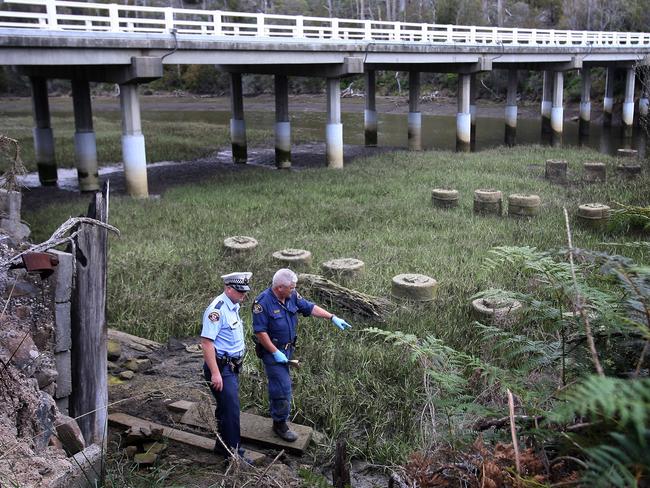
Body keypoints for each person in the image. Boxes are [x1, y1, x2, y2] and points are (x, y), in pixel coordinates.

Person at [252, 268, 351, 442]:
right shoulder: (262, 303)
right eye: (291, 287)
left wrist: (332, 317)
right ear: (280, 287)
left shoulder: (291, 296)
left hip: (288, 350)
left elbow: (309, 307)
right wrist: (275, 352)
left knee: (282, 385)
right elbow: (260, 332)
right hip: (272, 352)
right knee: (282, 387)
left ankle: (278, 416)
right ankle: (279, 424)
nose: (294, 290)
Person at [200, 271, 252, 460]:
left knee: (224, 408)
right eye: (240, 291)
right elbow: (206, 343)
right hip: (221, 368)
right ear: (228, 289)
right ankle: (234, 454)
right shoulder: (217, 310)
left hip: (231, 367)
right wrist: (215, 373)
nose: (243, 295)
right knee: (231, 411)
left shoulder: (233, 305)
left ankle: (221, 447)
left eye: (244, 291)